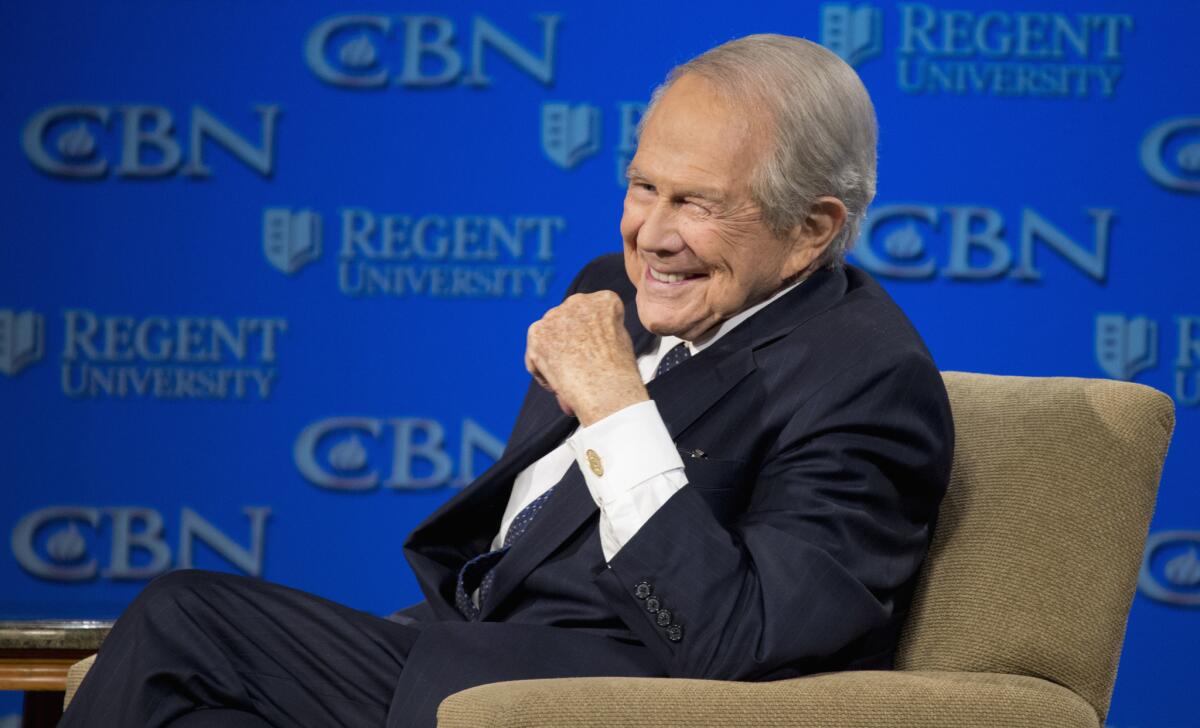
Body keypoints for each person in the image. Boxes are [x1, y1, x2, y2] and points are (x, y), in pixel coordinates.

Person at [61, 34, 953, 728]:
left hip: (583, 694)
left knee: (183, 622)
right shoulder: (610, 287)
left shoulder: (867, 379)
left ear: (812, 229)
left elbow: (739, 640)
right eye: (645, 186)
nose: (653, 234)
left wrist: (614, 406)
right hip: (467, 649)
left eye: (698, 204)